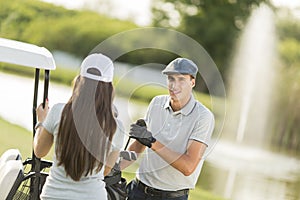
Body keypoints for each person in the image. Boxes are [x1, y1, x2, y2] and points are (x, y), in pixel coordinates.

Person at [33, 53, 124, 200]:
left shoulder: (58, 112)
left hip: (54, 195)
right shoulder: (116, 127)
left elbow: (39, 151)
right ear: (109, 88)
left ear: (79, 81)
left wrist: (42, 121)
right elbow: (105, 170)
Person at [122, 58, 215, 200]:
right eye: (171, 79)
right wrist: (112, 170)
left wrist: (152, 142)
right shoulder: (156, 103)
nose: (174, 85)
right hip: (138, 190)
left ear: (192, 82)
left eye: (181, 79)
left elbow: (188, 167)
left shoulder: (203, 117)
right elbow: (140, 146)